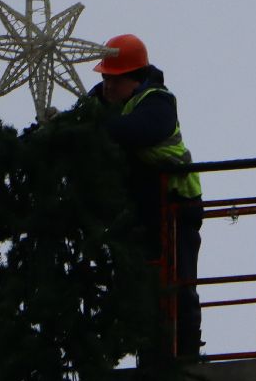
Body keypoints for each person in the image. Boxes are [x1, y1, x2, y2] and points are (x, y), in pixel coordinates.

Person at [86, 34, 204, 357]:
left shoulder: (158, 102)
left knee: (178, 286)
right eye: (104, 78)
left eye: (114, 79)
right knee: (142, 287)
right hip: (142, 211)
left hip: (178, 209)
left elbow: (137, 131)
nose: (107, 86)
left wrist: (93, 129)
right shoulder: (102, 105)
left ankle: (186, 355)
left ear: (134, 78)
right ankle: (152, 354)